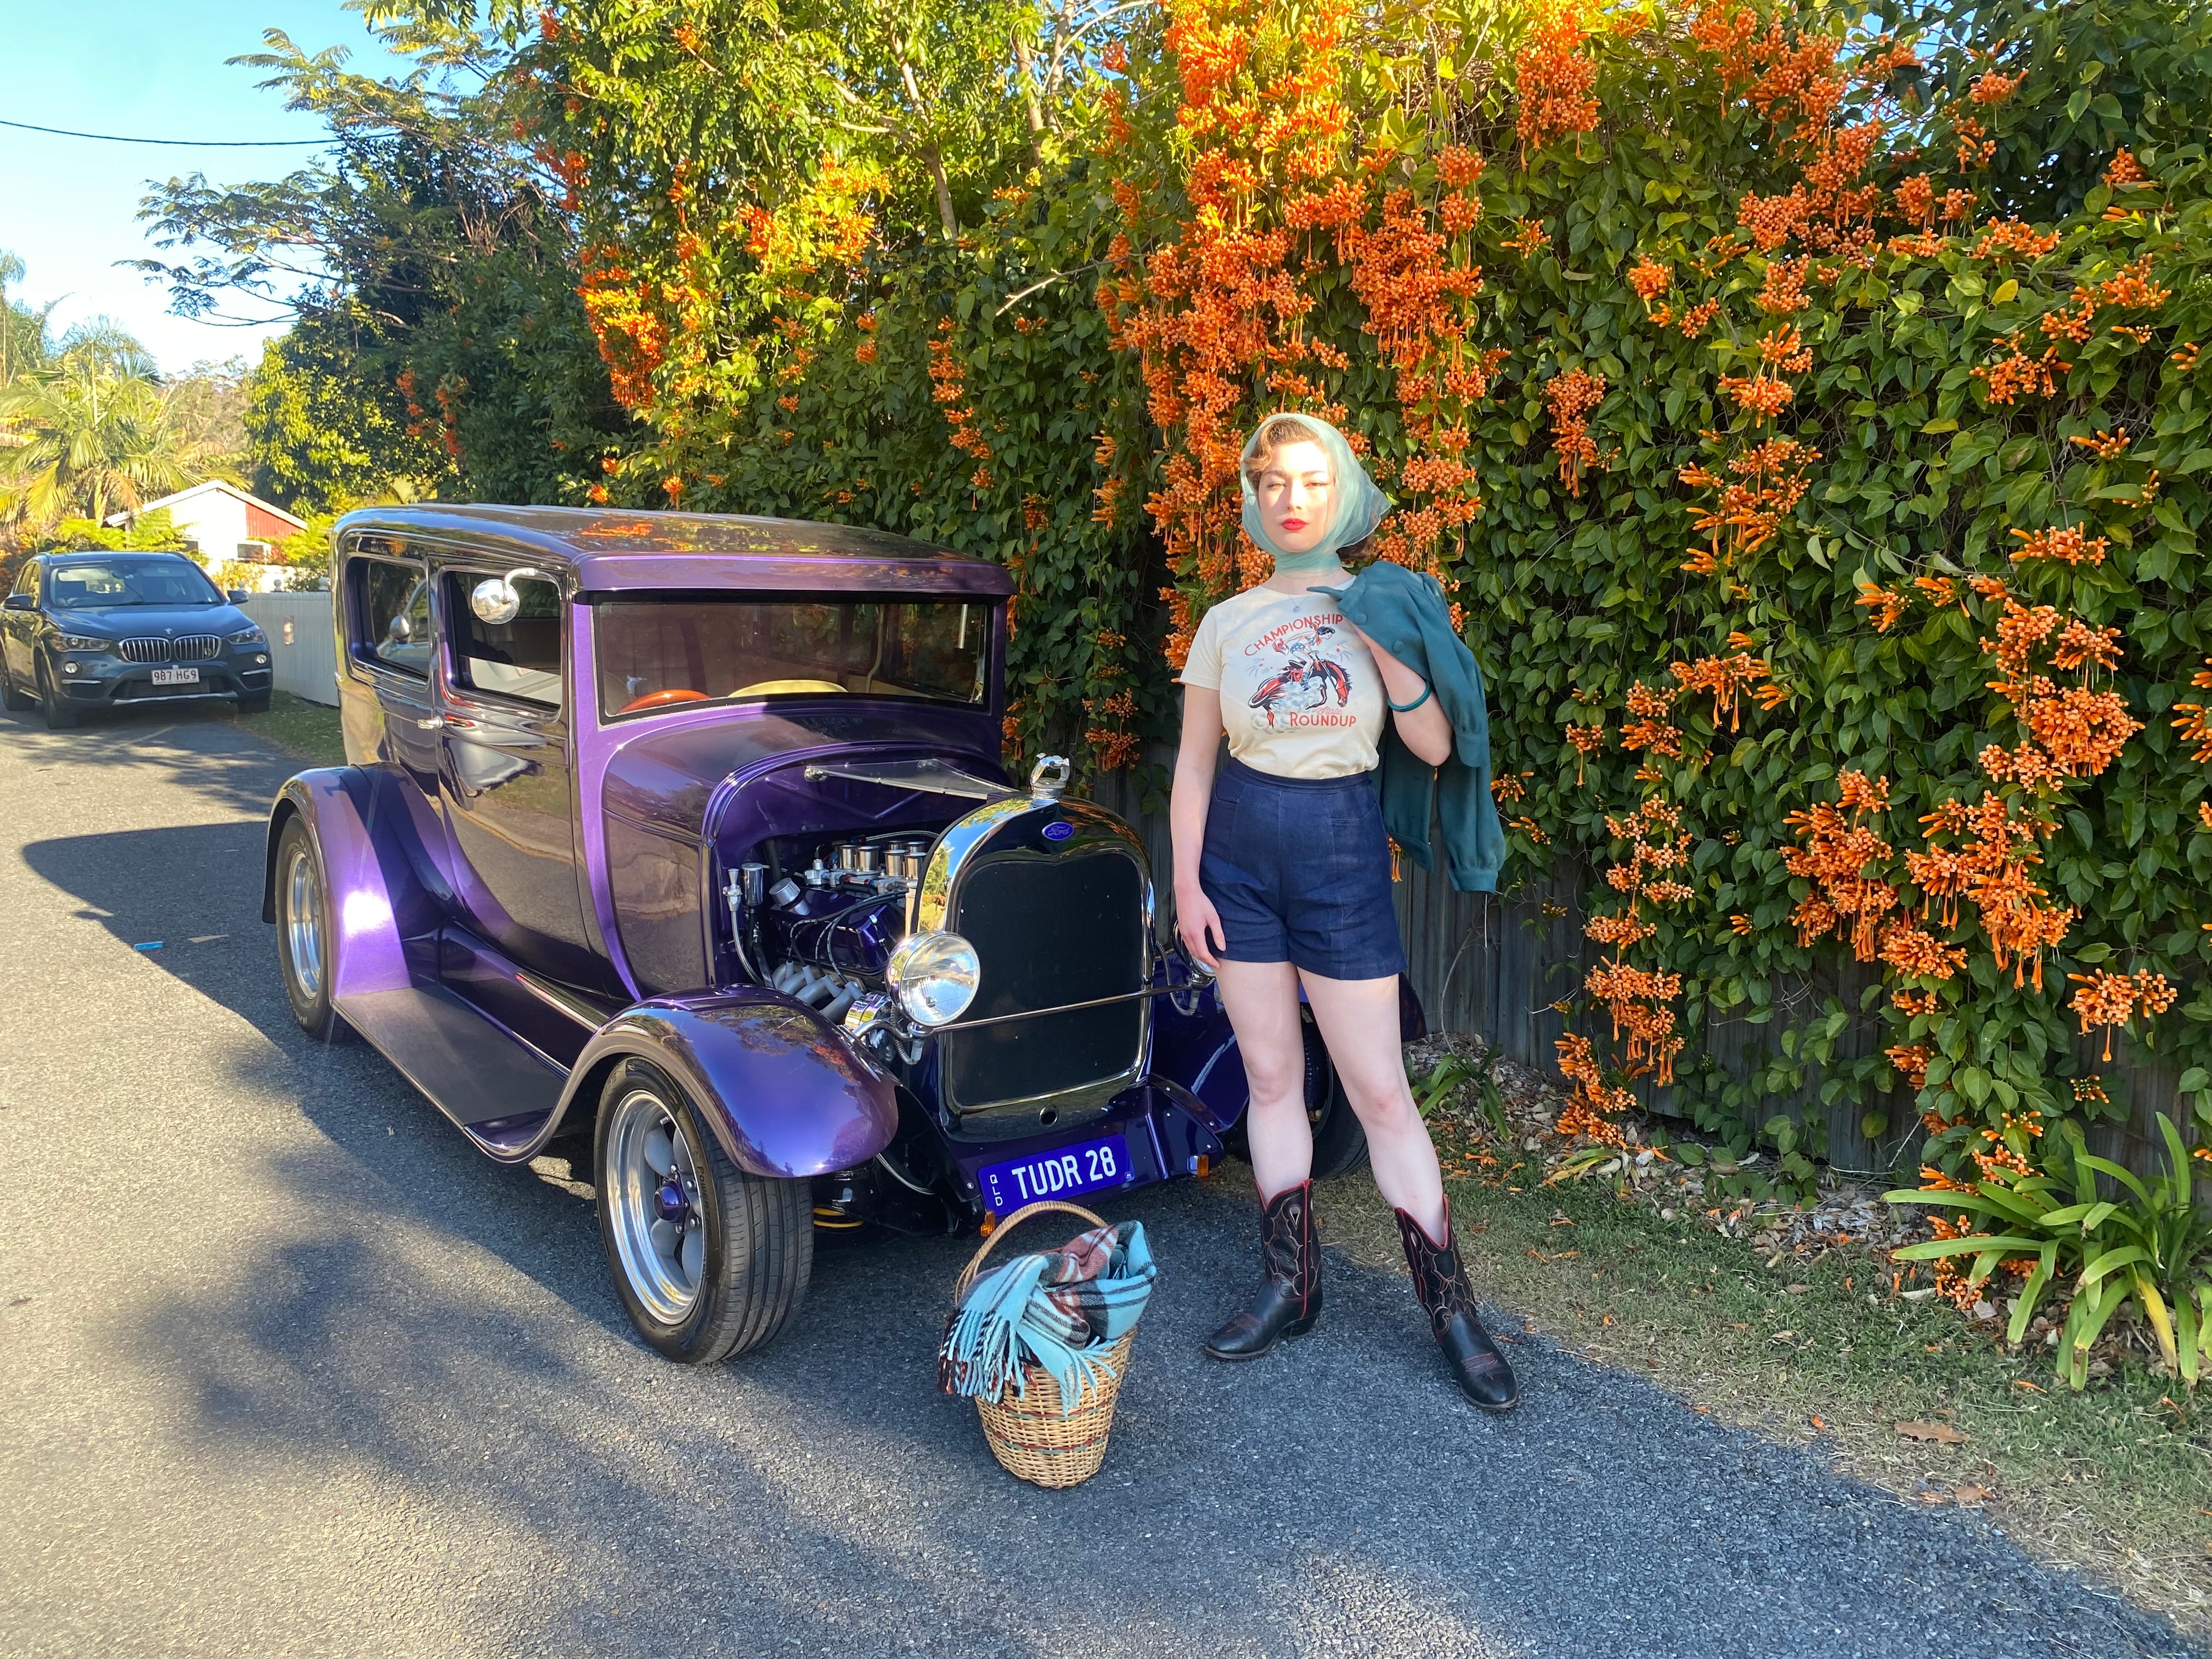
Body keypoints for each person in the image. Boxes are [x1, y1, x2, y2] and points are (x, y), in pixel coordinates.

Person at [1171, 413, 1519, 1412]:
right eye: (1274, 481)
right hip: (1237, 852)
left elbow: (1440, 748)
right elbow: (1196, 765)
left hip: (1339, 852)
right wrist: (1189, 884)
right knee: (1273, 1079)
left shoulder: (1386, 601)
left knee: (1379, 1093)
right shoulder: (1226, 622)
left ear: (1345, 494)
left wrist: (1376, 636)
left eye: (1312, 482)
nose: (1292, 499)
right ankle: (1291, 1281)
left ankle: (1453, 1312)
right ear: (1254, 498)